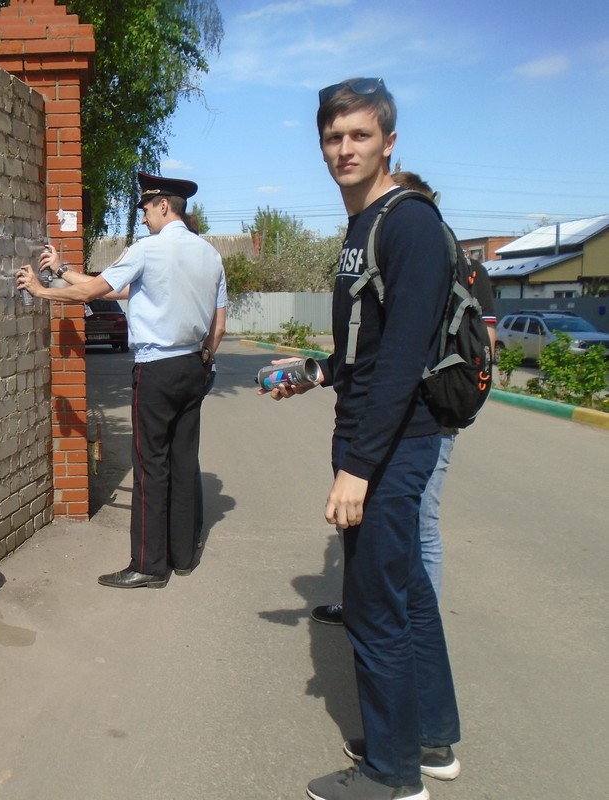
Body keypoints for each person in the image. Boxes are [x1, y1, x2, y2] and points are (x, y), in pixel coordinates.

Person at [267, 78, 461, 800]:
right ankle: (427, 739)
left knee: (374, 607)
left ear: (387, 140)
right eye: (332, 137)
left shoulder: (405, 224)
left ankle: (391, 773)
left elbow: (404, 358)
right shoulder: (362, 227)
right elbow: (365, 352)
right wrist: (316, 372)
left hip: (392, 442)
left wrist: (356, 467)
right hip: (379, 436)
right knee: (406, 593)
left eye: (358, 135)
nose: (343, 149)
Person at [17, 172, 226, 589]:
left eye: (147, 208)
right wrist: (63, 270)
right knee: (184, 462)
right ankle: (182, 556)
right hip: (194, 366)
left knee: (150, 466)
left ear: (163, 205)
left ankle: (149, 566)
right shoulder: (209, 255)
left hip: (157, 370)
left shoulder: (148, 249)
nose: (144, 217)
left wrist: (41, 291)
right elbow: (215, 324)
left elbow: (88, 295)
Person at [311, 170, 497, 623]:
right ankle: (375, 607)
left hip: (431, 406)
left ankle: (418, 618)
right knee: (385, 523)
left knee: (420, 523)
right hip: (397, 405)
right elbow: (369, 349)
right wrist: (320, 371)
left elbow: (477, 348)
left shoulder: (458, 263)